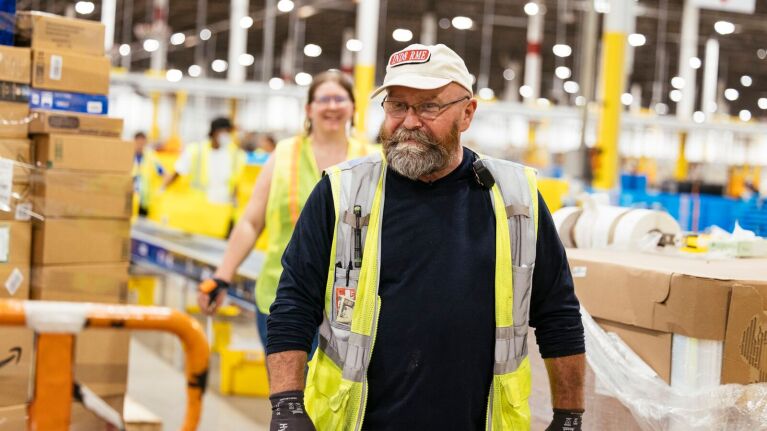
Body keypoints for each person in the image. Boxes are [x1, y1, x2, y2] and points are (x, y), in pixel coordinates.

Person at [264, 44, 585, 430]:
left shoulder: (516, 198)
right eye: (397, 106)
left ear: (467, 113)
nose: (410, 121)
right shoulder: (342, 193)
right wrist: (286, 405)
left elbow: (559, 314)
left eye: (429, 106)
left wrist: (569, 416)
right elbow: (295, 303)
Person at [198, 70, 375, 349]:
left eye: (340, 99)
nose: (331, 106)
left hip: (350, 309)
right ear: (309, 108)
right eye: (323, 99)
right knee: (287, 391)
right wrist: (223, 276)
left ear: (353, 107)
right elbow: (251, 222)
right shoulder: (283, 155)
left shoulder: (371, 158)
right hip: (283, 300)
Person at [162, 117, 245, 205]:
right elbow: (178, 172)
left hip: (223, 205)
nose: (227, 135)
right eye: (225, 131)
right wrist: (162, 189)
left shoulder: (235, 154)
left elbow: (235, 181)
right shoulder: (195, 150)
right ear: (214, 132)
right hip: (200, 206)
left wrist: (234, 200)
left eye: (229, 132)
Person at [132, 131, 164, 216]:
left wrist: (162, 188)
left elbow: (162, 172)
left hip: (144, 200)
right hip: (130, 198)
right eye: (138, 142)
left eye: (142, 142)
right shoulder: (128, 155)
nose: (140, 144)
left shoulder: (151, 156)